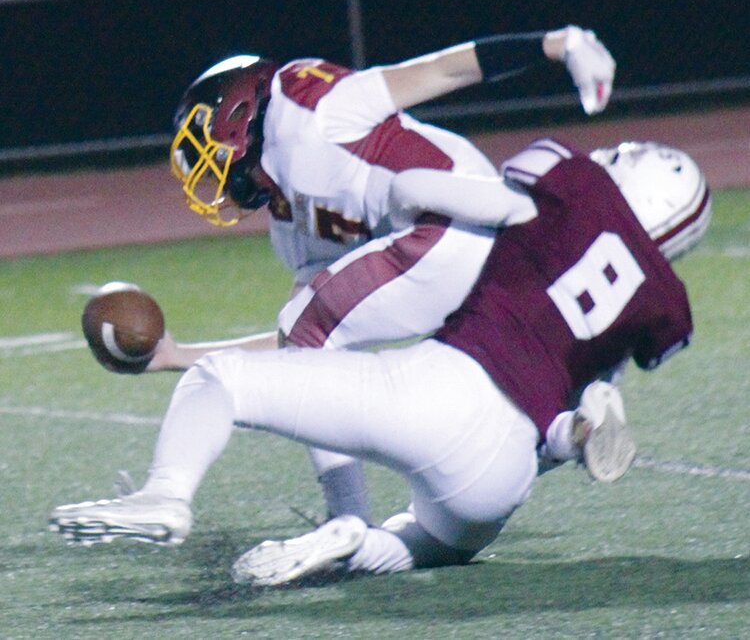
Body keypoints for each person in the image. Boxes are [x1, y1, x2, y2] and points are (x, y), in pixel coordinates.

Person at [50, 137, 711, 586]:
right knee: (436, 544)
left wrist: (397, 201)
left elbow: (426, 185)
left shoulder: (574, 185)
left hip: (441, 390)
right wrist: (568, 434)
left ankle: (166, 495)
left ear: (639, 179)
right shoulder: (664, 306)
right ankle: (356, 543)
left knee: (217, 378)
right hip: (503, 473)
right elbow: (578, 381)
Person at [156, 25, 616, 523]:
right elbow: (295, 345)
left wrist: (555, 45)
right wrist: (178, 357)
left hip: (461, 216)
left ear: (237, 117)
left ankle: (346, 519)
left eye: (209, 157)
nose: (213, 180)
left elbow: (443, 68)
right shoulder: (289, 222)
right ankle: (570, 430)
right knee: (474, 399)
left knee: (318, 339)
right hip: (460, 251)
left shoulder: (311, 104)